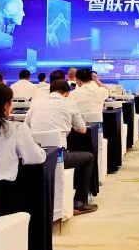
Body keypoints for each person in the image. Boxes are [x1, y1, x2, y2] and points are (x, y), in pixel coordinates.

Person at [23, 79, 98, 214]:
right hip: (58, 157)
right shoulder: (69, 102)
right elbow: (82, 129)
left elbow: (25, 126)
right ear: (66, 93)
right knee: (88, 158)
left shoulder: (37, 102)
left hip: (35, 154)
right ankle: (79, 202)